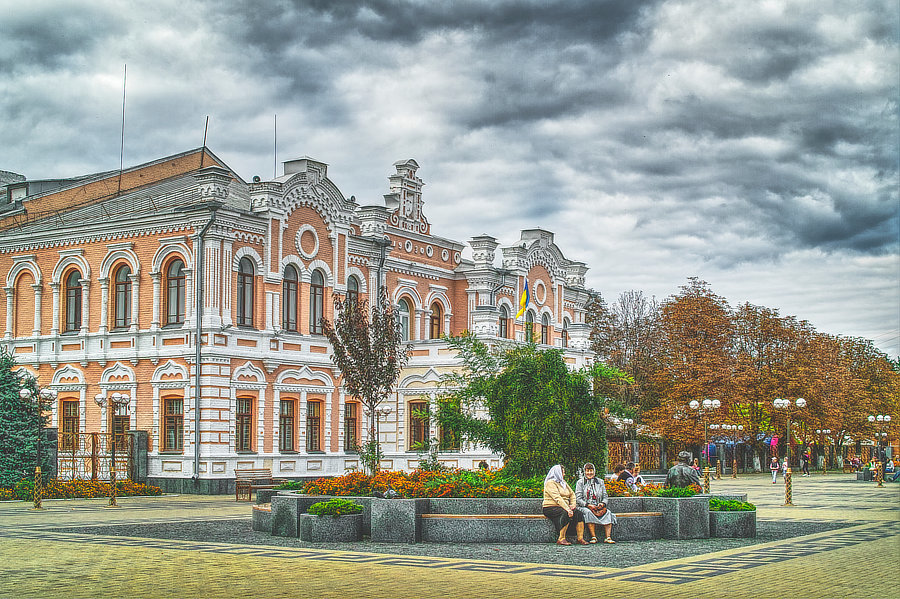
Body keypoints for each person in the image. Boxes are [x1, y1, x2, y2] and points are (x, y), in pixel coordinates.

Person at [542, 465, 586, 546]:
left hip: (564, 506)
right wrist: (567, 509)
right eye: (563, 472)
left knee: (579, 513)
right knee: (565, 513)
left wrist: (573, 505)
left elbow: (572, 494)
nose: (564, 474)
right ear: (557, 473)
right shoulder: (550, 483)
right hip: (550, 507)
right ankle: (561, 538)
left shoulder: (563, 483)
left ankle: (580, 538)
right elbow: (557, 498)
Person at [575, 462, 617, 544]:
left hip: (598, 506)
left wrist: (602, 503)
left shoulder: (600, 482)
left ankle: (608, 537)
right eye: (587, 471)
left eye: (591, 471)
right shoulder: (580, 482)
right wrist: (587, 505)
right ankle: (593, 537)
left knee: (608, 512)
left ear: (594, 471)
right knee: (588, 512)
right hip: (584, 506)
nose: (589, 473)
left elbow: (605, 496)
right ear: (584, 472)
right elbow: (578, 498)